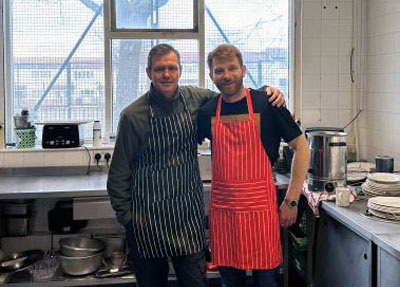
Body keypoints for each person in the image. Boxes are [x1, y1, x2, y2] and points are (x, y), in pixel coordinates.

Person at [107, 43, 286, 287]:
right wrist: (128, 219)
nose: (166, 74)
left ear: (180, 70)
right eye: (160, 69)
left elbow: (234, 93)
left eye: (172, 68)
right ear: (149, 73)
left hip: (186, 221)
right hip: (145, 223)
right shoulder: (132, 115)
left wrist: (266, 92)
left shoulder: (197, 100)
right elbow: (118, 174)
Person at [197, 44, 310, 287]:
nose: (226, 75)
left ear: (243, 70)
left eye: (232, 68)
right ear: (211, 76)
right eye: (219, 71)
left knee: (267, 281)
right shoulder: (207, 111)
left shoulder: (267, 103)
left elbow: (302, 147)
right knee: (230, 282)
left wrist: (291, 200)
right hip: (224, 214)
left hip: (261, 213)